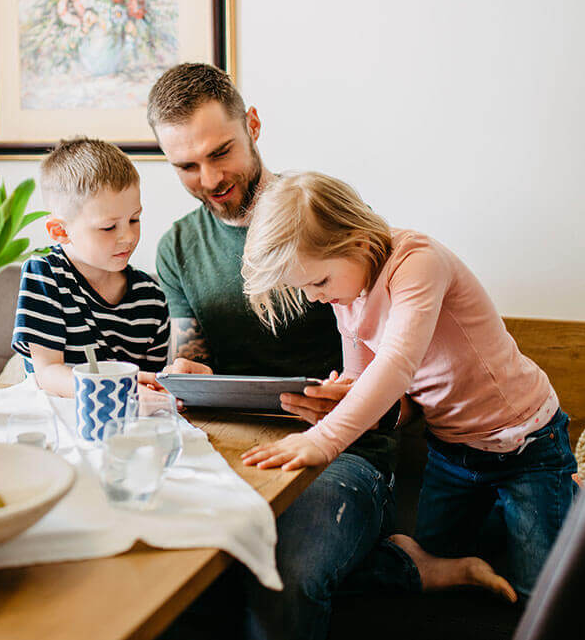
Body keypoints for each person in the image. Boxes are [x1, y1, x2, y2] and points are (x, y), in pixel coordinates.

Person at [149, 64, 510, 640]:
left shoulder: (320, 216)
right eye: (186, 166)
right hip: (233, 449)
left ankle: (400, 560)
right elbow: (189, 355)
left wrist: (361, 412)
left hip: (349, 455)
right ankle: (405, 566)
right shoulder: (176, 247)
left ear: (255, 126)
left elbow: (406, 379)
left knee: (280, 577)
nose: (210, 178)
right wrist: (182, 374)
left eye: (221, 153)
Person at [241, 170, 577, 601]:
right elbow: (369, 385)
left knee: (540, 592)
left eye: (318, 282)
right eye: (303, 288)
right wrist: (339, 396)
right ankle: (539, 505)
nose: (313, 298)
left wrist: (324, 439)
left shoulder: (418, 263)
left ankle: (568, 495)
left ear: (358, 243)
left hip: (526, 441)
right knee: (431, 560)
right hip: (452, 449)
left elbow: (397, 364)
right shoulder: (347, 294)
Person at [11, 136, 168, 397]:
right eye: (108, 227)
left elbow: (150, 384)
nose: (128, 237)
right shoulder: (44, 274)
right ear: (60, 231)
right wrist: (119, 390)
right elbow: (48, 373)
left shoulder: (151, 299)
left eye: (134, 219)